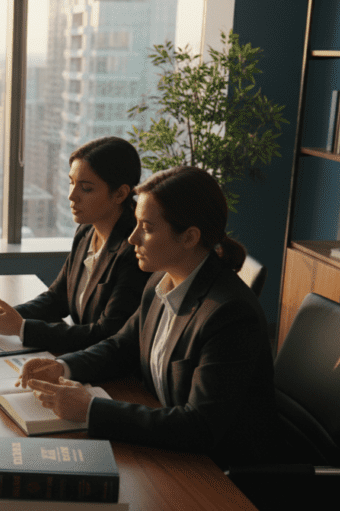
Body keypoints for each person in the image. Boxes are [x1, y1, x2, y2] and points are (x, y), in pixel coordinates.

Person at [17, 166, 279, 468]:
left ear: (189, 237)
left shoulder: (230, 315)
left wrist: (92, 409)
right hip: (168, 450)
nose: (132, 238)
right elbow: (123, 346)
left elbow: (200, 426)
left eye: (147, 227)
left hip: (222, 475)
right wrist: (62, 366)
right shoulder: (159, 280)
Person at [0, 137, 150, 355]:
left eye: (86, 189)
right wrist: (8, 316)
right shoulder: (87, 231)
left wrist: (21, 328)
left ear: (119, 193)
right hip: (79, 357)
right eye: (72, 183)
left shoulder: (135, 250)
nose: (72, 196)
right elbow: (58, 298)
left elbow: (106, 334)